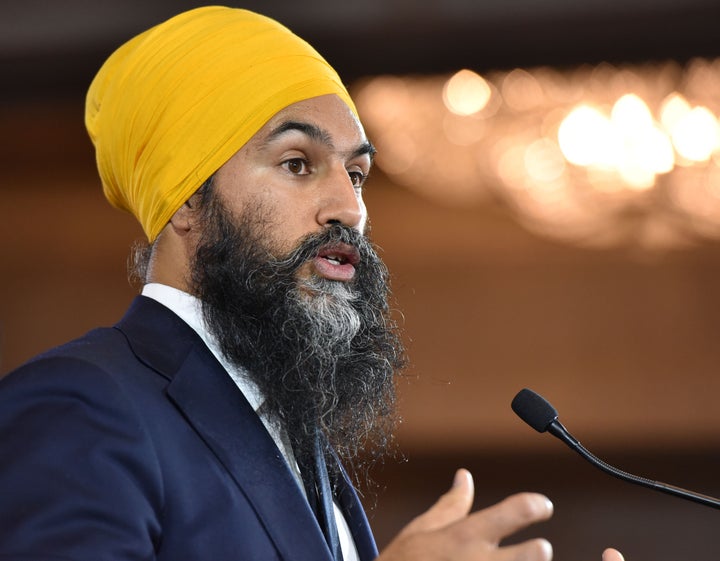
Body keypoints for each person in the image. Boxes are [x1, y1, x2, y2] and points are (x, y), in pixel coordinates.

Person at [0, 6, 625, 561]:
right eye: (298, 164)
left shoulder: (285, 425)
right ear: (187, 200)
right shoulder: (78, 406)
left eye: (356, 174)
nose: (348, 210)